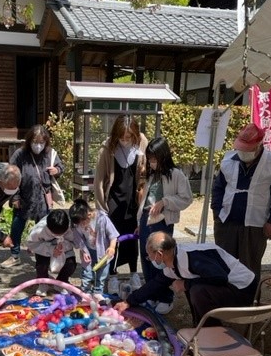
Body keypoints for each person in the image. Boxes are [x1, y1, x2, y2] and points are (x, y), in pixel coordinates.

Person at [114, 231, 257, 325]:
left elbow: (220, 278)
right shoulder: (173, 260)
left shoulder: (191, 258)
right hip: (230, 287)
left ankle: (209, 333)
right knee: (193, 287)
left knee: (196, 290)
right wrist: (128, 302)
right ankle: (200, 327)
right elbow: (155, 284)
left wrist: (186, 284)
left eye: (149, 255)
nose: (149, 258)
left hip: (243, 290)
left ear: (159, 254)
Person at [211, 122, 271, 284]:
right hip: (227, 222)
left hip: (255, 225)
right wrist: (217, 212)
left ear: (258, 145)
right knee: (224, 264)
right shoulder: (229, 160)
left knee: (249, 266)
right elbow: (218, 188)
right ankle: (224, 300)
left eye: (248, 149)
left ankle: (247, 303)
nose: (243, 153)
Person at [136, 136, 193, 314]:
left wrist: (165, 202)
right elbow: (145, 201)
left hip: (162, 222)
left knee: (162, 261)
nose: (152, 163)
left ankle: (165, 298)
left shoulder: (176, 174)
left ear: (163, 156)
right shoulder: (152, 175)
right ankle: (151, 295)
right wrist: (140, 221)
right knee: (147, 259)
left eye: (154, 159)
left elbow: (186, 198)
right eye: (150, 159)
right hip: (147, 220)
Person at [0, 125, 64, 269]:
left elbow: (61, 167)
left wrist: (57, 170)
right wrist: (15, 197)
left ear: (46, 141)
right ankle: (15, 255)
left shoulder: (50, 153)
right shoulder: (20, 154)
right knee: (17, 227)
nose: (38, 145)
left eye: (42, 142)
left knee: (44, 229)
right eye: (35, 141)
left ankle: (42, 256)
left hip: (42, 197)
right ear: (29, 140)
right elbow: (12, 175)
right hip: (24, 197)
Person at [94, 114, 148, 275]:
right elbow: (98, 180)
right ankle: (111, 272)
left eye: (129, 136)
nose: (125, 139)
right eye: (122, 137)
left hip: (133, 200)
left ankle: (133, 272)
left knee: (132, 238)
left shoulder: (142, 142)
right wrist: (101, 207)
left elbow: (147, 170)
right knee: (113, 238)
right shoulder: (108, 147)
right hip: (114, 199)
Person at [69, 198, 119, 301]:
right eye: (78, 224)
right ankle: (86, 292)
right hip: (88, 249)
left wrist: (112, 247)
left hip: (103, 250)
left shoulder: (101, 218)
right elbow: (78, 238)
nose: (81, 225)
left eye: (82, 222)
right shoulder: (77, 224)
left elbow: (113, 234)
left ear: (88, 214)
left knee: (102, 272)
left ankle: (98, 291)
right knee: (87, 271)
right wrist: (83, 251)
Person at [26, 209, 77, 297]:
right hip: (45, 250)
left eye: (61, 233)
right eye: (54, 234)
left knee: (71, 263)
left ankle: (61, 282)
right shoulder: (39, 230)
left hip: (64, 249)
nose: (58, 235)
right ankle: (43, 283)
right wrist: (51, 249)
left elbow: (76, 242)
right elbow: (32, 244)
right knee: (41, 264)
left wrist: (63, 246)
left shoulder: (71, 228)